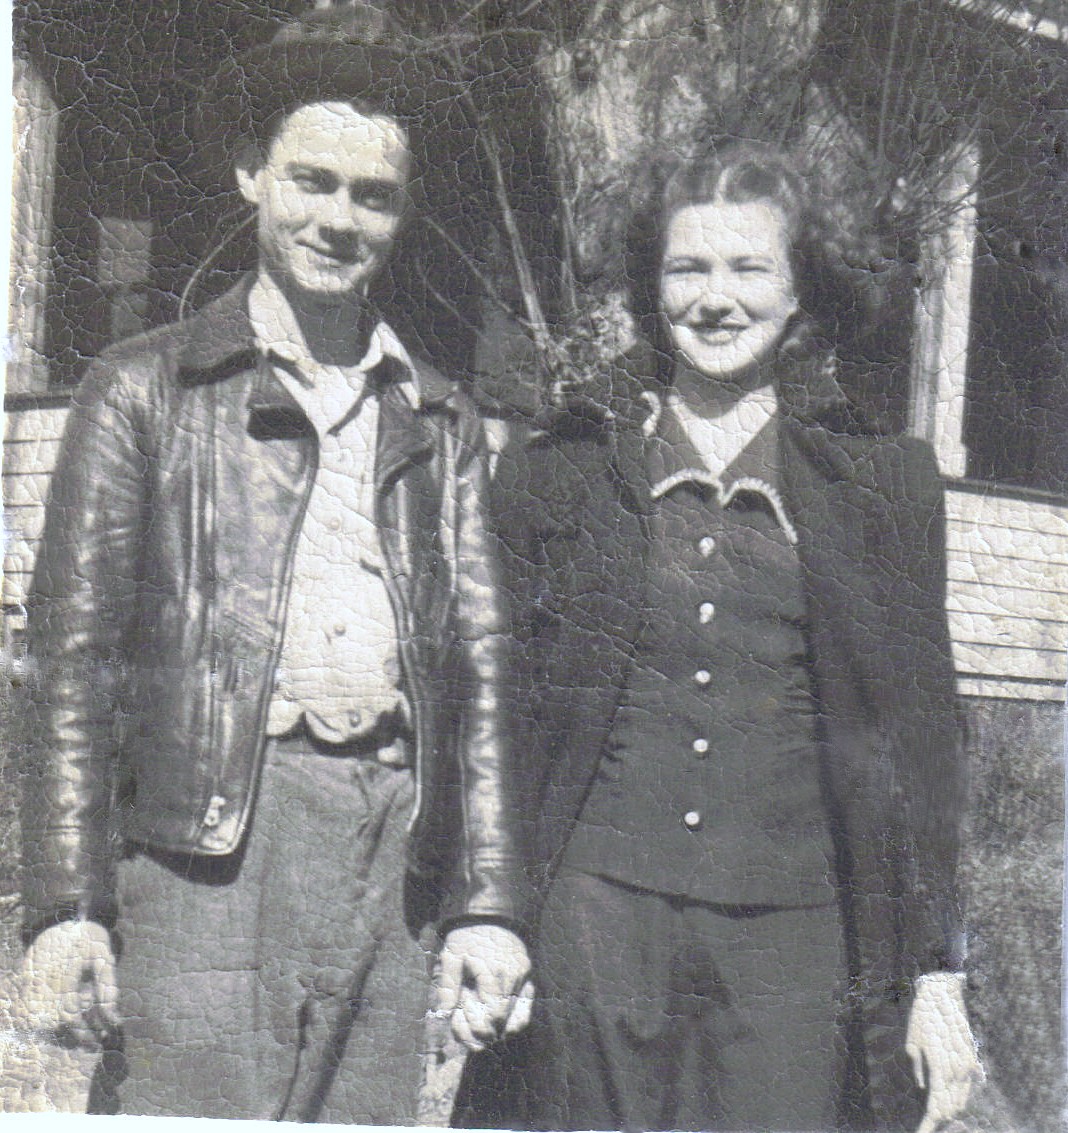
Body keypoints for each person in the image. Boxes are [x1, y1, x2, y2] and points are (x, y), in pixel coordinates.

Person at [18, 6, 532, 1121]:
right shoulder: (143, 389)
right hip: (207, 844)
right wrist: (67, 901)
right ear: (254, 174)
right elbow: (73, 661)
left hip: (390, 845)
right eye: (312, 180)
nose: (338, 219)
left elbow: (484, 672)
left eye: (373, 195)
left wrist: (486, 902)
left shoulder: (439, 417)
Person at [460, 140, 981, 1131]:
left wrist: (939, 973)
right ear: (654, 287)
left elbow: (924, 743)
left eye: (749, 268)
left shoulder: (883, 482)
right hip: (597, 917)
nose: (715, 297)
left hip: (795, 935)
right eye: (687, 267)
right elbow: (500, 705)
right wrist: (488, 910)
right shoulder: (559, 468)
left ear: (799, 295)